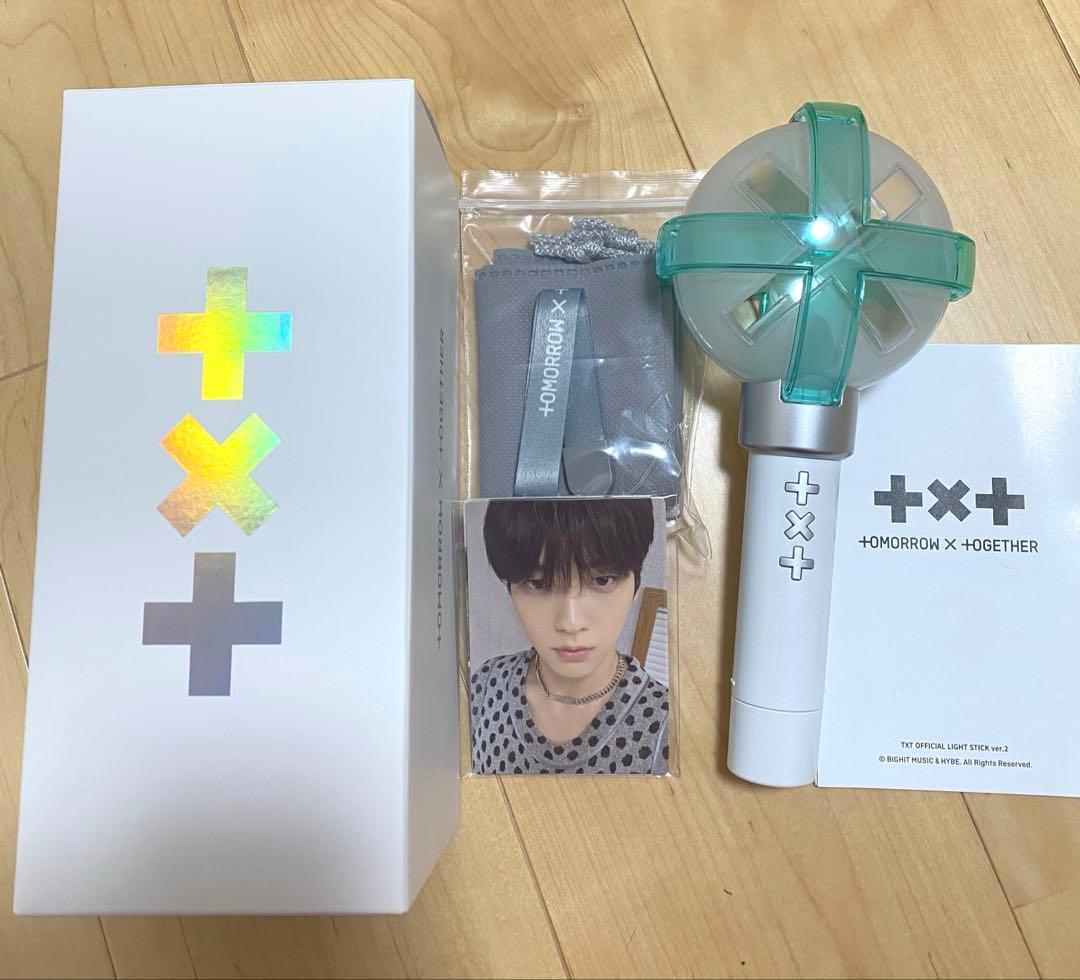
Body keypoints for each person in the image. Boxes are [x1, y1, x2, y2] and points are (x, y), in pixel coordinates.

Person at [470, 498, 669, 775]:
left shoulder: (667, 728)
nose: (571, 623)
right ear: (510, 590)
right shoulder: (485, 687)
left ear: (635, 583)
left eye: (602, 580)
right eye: (538, 583)